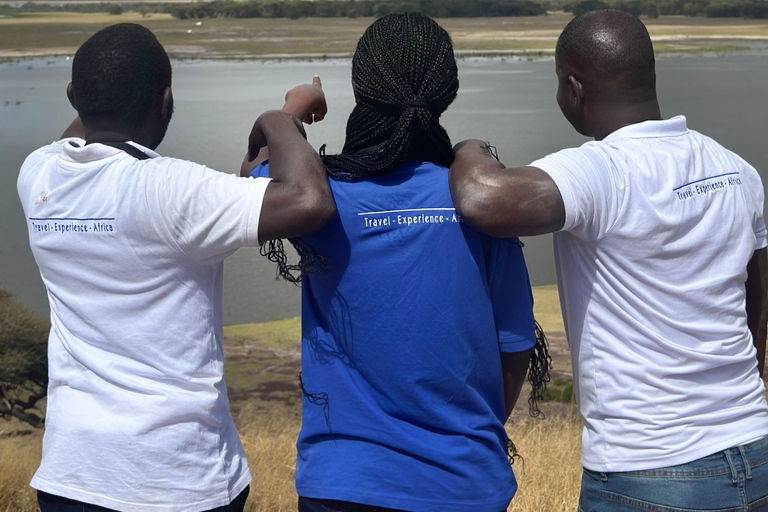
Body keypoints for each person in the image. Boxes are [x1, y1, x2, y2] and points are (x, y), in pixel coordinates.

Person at [448, 9, 768, 511]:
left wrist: (473, 148)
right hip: (755, 449)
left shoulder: (600, 170)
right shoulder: (736, 170)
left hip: (647, 470)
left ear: (574, 88)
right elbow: (757, 304)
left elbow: (482, 199)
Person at [17, 23, 335, 512]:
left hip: (71, 476)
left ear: (72, 96)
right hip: (178, 480)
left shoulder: (37, 175)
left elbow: (85, 135)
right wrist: (282, 116)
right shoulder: (171, 191)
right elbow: (309, 201)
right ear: (166, 101)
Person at [245, 13, 550, 512]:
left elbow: (254, 170)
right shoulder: (485, 202)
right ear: (448, 90)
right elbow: (513, 347)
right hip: (465, 484)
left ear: (358, 87)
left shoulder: (321, 199)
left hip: (343, 484)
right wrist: (462, 438)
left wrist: (290, 111)